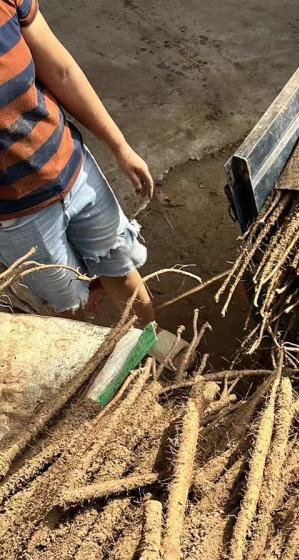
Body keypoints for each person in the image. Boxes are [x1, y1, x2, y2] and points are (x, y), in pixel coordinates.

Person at [0, 0, 155, 323]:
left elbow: (62, 72)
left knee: (121, 269)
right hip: (18, 217)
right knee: (71, 308)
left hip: (74, 171)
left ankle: (158, 357)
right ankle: (96, 371)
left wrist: (120, 145)